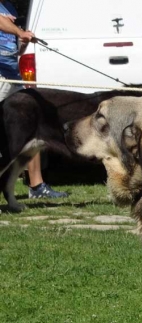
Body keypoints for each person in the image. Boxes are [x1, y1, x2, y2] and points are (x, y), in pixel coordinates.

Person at [0, 0, 68, 199]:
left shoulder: (10, 7)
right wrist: (19, 32)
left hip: (13, 74)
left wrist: (23, 42)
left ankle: (37, 186)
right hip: (0, 76)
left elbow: (15, 51)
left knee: (32, 128)